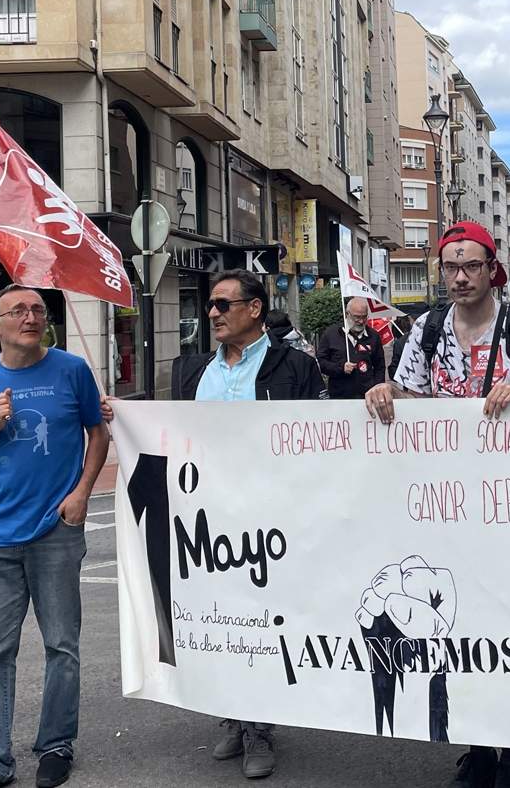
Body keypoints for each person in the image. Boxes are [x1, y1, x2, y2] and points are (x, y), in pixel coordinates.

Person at [364, 220, 510, 788]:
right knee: (459, 636)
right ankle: (477, 748)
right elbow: (407, 395)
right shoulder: (426, 330)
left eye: (470, 265)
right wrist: (386, 392)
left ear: (491, 268)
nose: (459, 276)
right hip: (446, 512)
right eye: (449, 265)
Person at [0, 285, 109, 788]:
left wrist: (82, 492)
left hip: (56, 532)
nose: (31, 317)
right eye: (18, 310)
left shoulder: (71, 370)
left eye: (38, 309)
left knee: (62, 644)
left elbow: (98, 431)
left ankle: (56, 744)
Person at [168, 270, 324, 778]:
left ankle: (261, 725)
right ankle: (233, 715)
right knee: (220, 619)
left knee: (265, 620)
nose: (211, 312)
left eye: (222, 304)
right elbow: (173, 438)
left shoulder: (296, 367)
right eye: (211, 305)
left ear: (254, 309)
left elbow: (320, 440)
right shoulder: (190, 372)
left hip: (271, 518)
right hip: (209, 521)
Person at [317, 296, 388, 400]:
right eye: (357, 317)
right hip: (340, 397)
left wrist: (377, 389)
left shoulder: (373, 336)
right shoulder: (331, 334)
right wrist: (340, 368)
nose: (361, 321)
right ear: (347, 314)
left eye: (364, 317)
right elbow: (321, 362)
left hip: (367, 397)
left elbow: (380, 366)